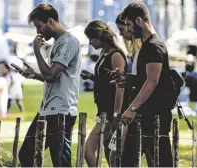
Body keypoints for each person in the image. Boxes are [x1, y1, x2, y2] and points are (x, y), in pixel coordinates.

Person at [18, 4, 81, 167]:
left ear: (51, 21)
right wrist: (34, 75)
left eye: (39, 26)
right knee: (26, 155)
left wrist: (37, 51)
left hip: (61, 111)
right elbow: (52, 76)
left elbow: (52, 75)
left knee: (61, 163)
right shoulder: (58, 43)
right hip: (47, 109)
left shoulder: (68, 42)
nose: (38, 32)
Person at [111, 2, 174, 167]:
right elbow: (144, 78)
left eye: (129, 24)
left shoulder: (154, 46)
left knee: (160, 161)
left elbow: (152, 81)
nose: (129, 29)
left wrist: (131, 109)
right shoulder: (146, 45)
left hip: (154, 114)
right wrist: (127, 78)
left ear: (138, 21)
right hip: (143, 113)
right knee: (127, 159)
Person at [81, 19, 129, 167]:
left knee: (89, 151)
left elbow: (119, 87)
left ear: (99, 36)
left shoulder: (116, 55)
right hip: (102, 111)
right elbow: (107, 81)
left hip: (110, 113)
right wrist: (92, 77)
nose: (90, 43)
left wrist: (116, 114)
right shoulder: (104, 53)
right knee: (110, 155)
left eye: (91, 39)